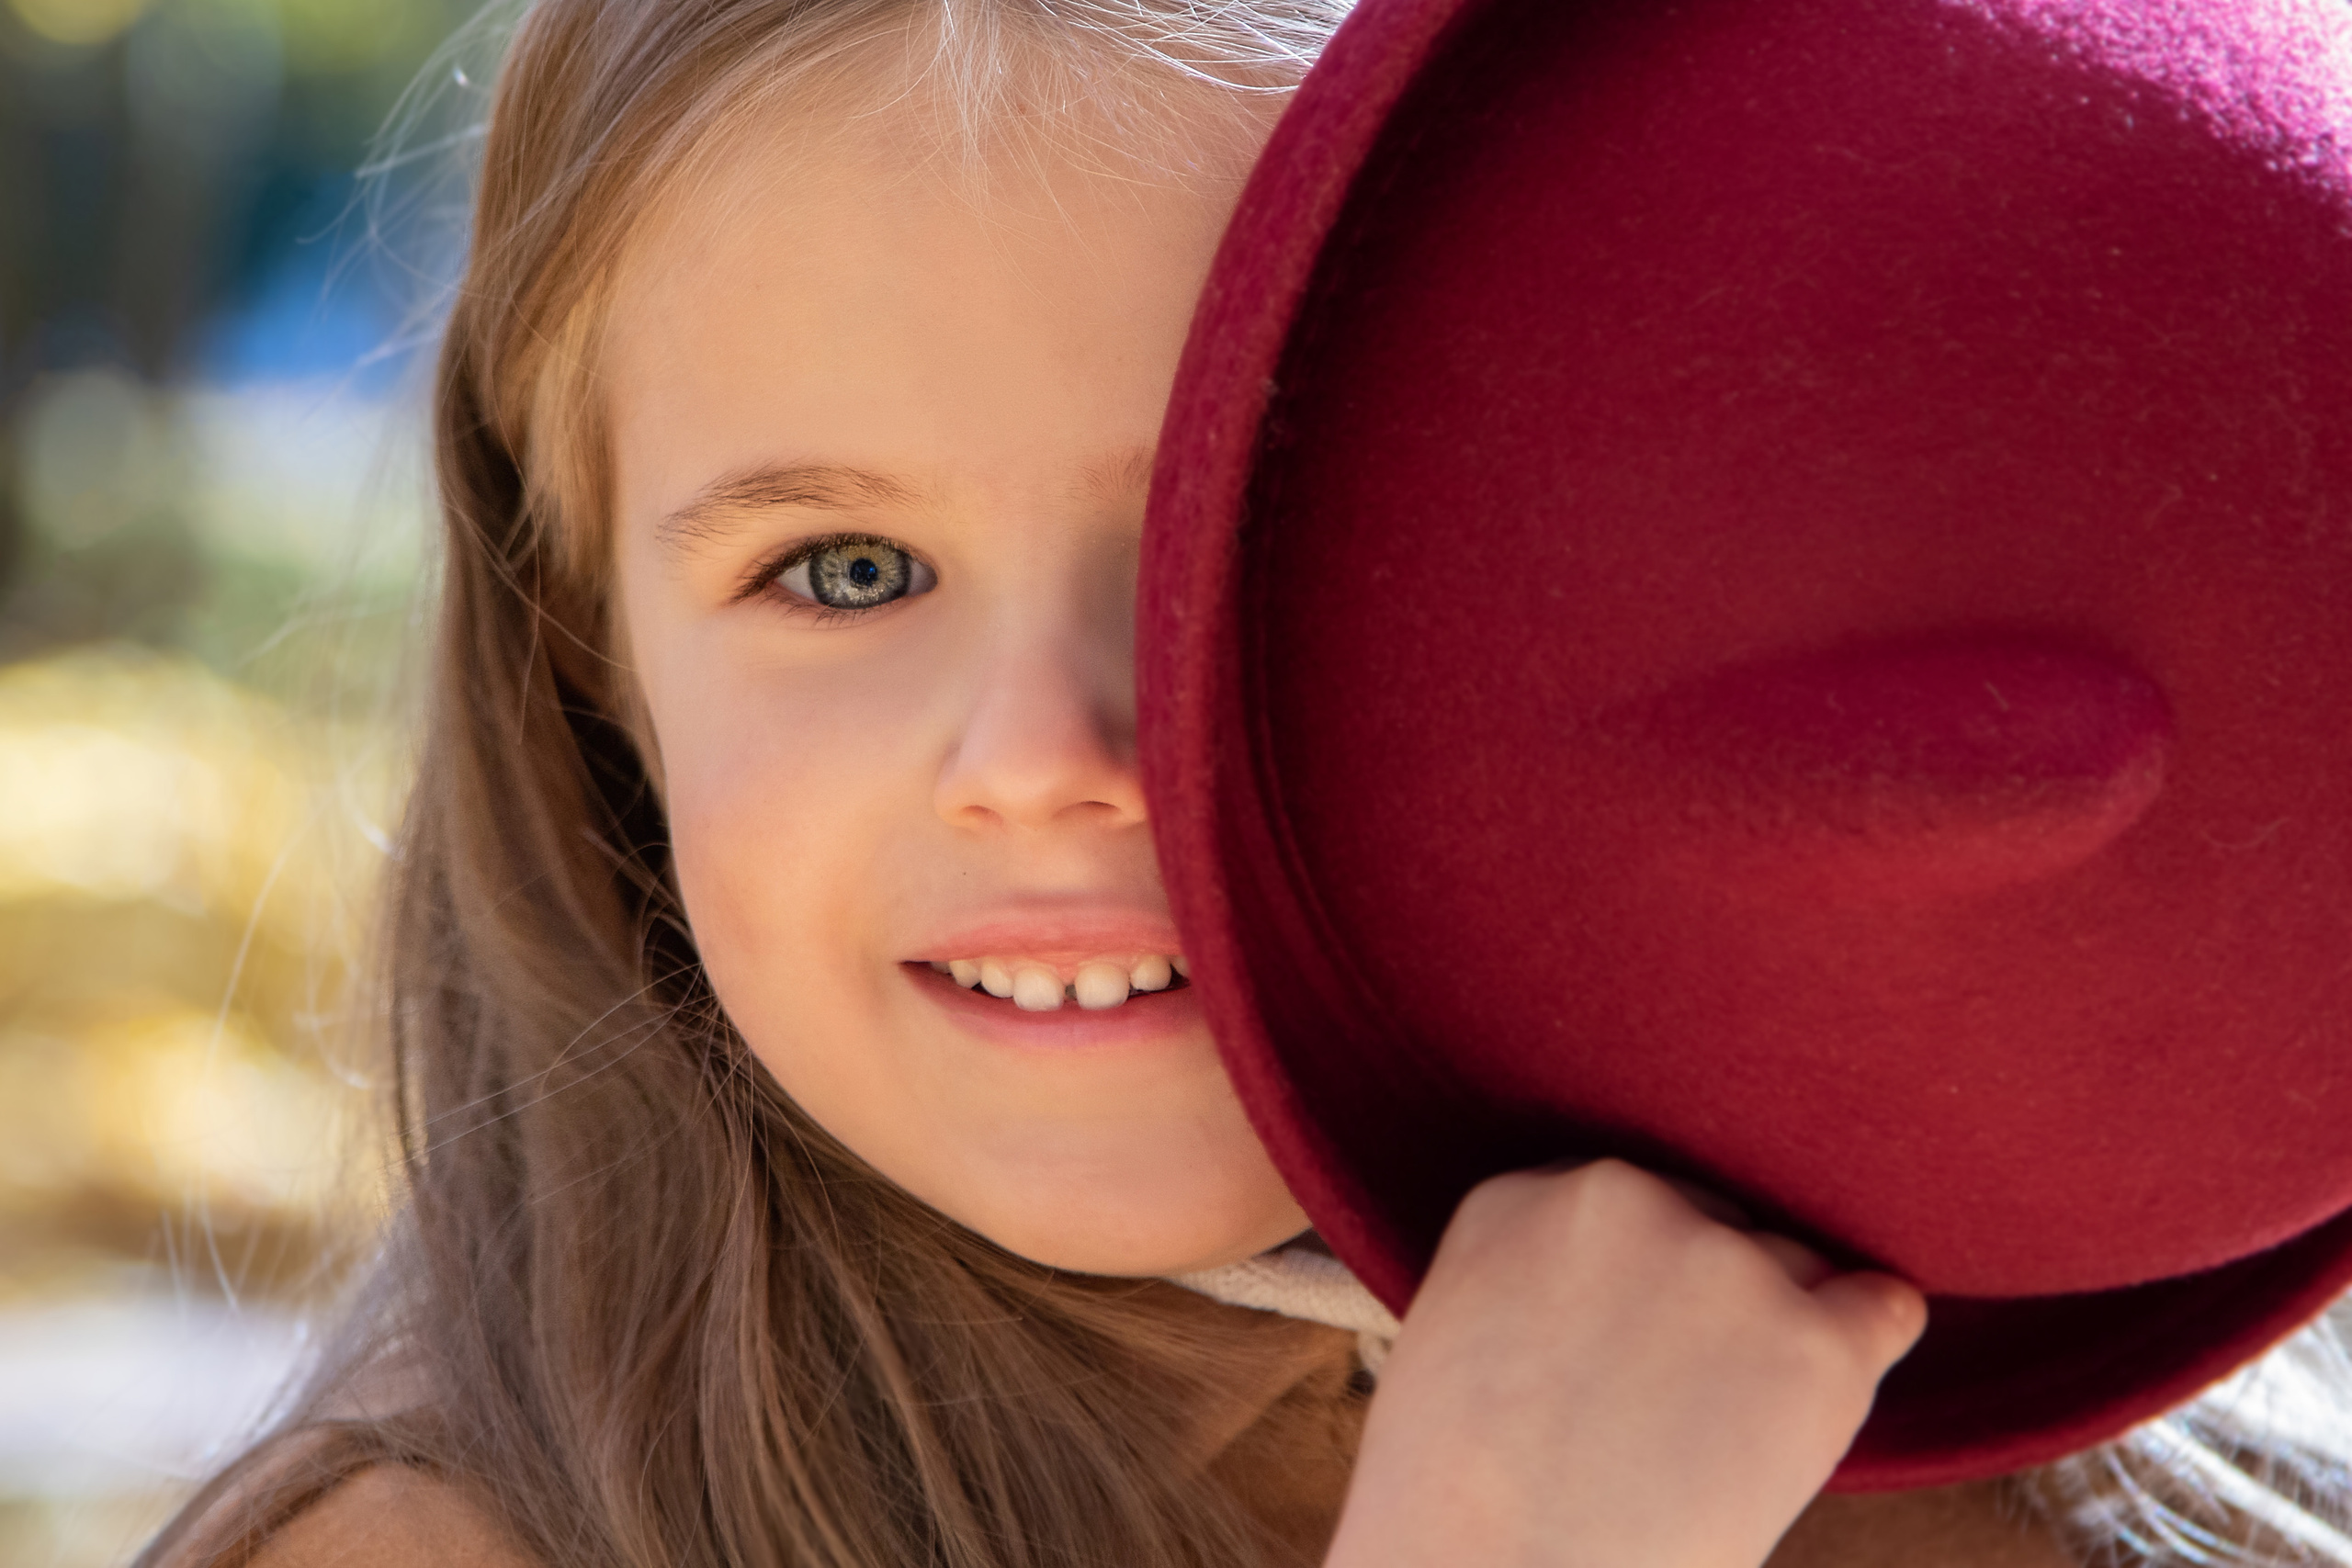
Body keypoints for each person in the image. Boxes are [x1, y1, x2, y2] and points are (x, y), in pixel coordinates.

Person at [134, 3, 2352, 1565]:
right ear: (584, 659)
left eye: (1227, 538)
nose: (1040, 760)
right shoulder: (445, 1542)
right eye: (841, 569)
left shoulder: (2116, 1510)